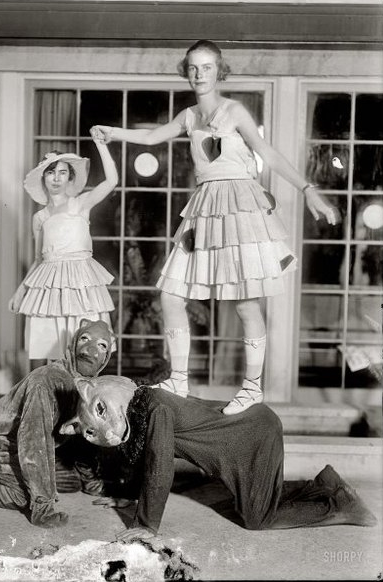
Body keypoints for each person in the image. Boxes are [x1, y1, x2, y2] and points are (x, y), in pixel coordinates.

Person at [91, 39, 337, 414]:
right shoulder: (189, 116)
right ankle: (179, 378)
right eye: (193, 67)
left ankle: (252, 388)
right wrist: (114, 132)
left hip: (240, 205)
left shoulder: (234, 110)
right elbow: (153, 136)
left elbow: (267, 153)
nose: (199, 74)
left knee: (246, 303)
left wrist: (309, 190)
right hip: (206, 205)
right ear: (185, 71)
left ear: (219, 71)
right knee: (171, 295)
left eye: (206, 67)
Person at [75, 376, 377, 540]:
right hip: (250, 428)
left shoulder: (156, 408)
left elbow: (159, 466)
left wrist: (146, 525)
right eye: (92, 432)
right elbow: (145, 459)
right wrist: (130, 496)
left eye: (100, 410)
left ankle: (342, 505)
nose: (106, 433)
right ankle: (325, 484)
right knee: (256, 497)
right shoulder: (145, 404)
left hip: (252, 435)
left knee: (258, 519)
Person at [0, 319, 119, 528]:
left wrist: (92, 484)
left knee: (71, 483)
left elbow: (82, 435)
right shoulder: (46, 382)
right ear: (74, 345)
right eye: (84, 339)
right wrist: (42, 507)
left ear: (105, 359)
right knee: (26, 497)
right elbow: (34, 442)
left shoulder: (84, 385)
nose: (91, 349)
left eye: (102, 345)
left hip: (21, 446)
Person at [9, 134, 118, 362]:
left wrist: (100, 145)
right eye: (51, 172)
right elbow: (39, 260)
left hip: (81, 285)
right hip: (51, 287)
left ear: (70, 178)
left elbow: (111, 181)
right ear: (43, 178)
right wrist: (20, 291)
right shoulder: (40, 217)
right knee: (54, 351)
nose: (56, 178)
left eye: (62, 172)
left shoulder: (80, 204)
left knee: (85, 349)